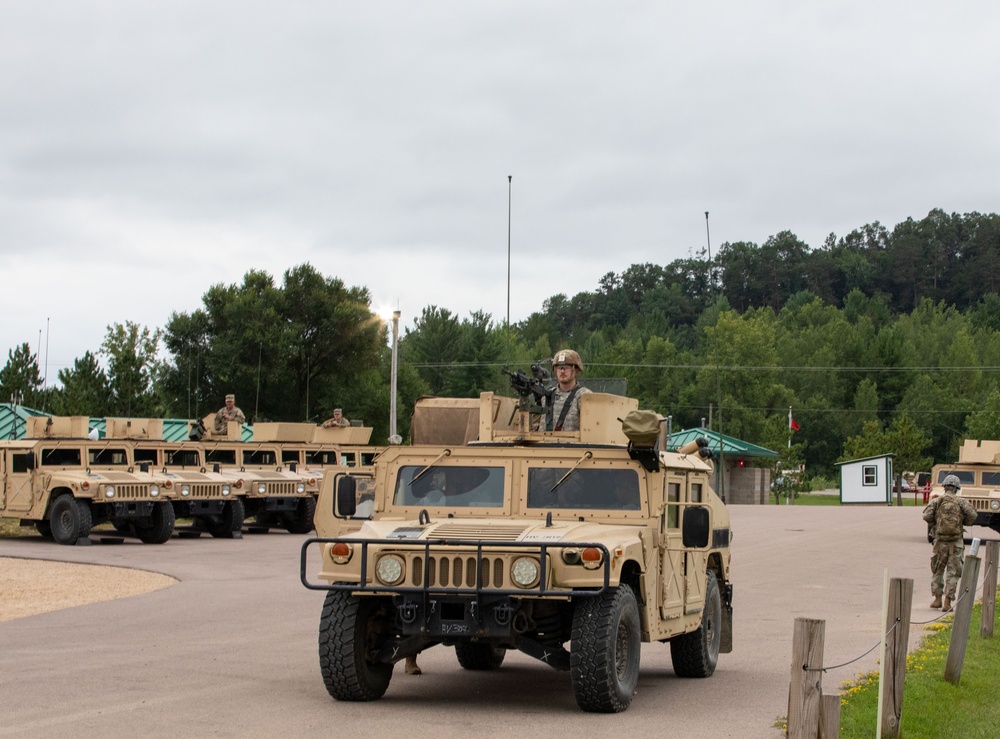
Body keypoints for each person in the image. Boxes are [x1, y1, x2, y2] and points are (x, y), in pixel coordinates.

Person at [922, 474, 977, 611]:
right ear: (957, 488)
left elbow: (926, 515)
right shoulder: (961, 501)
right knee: (953, 572)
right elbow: (973, 515)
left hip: (940, 542)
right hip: (956, 542)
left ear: (944, 487)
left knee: (937, 570)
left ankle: (937, 599)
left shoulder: (937, 501)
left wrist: (936, 522)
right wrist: (963, 522)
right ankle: (947, 602)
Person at [547, 349, 592, 432]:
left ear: (576, 370)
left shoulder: (583, 396)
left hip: (572, 444)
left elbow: (591, 429)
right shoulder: (546, 396)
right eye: (559, 367)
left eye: (566, 367)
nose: (562, 371)